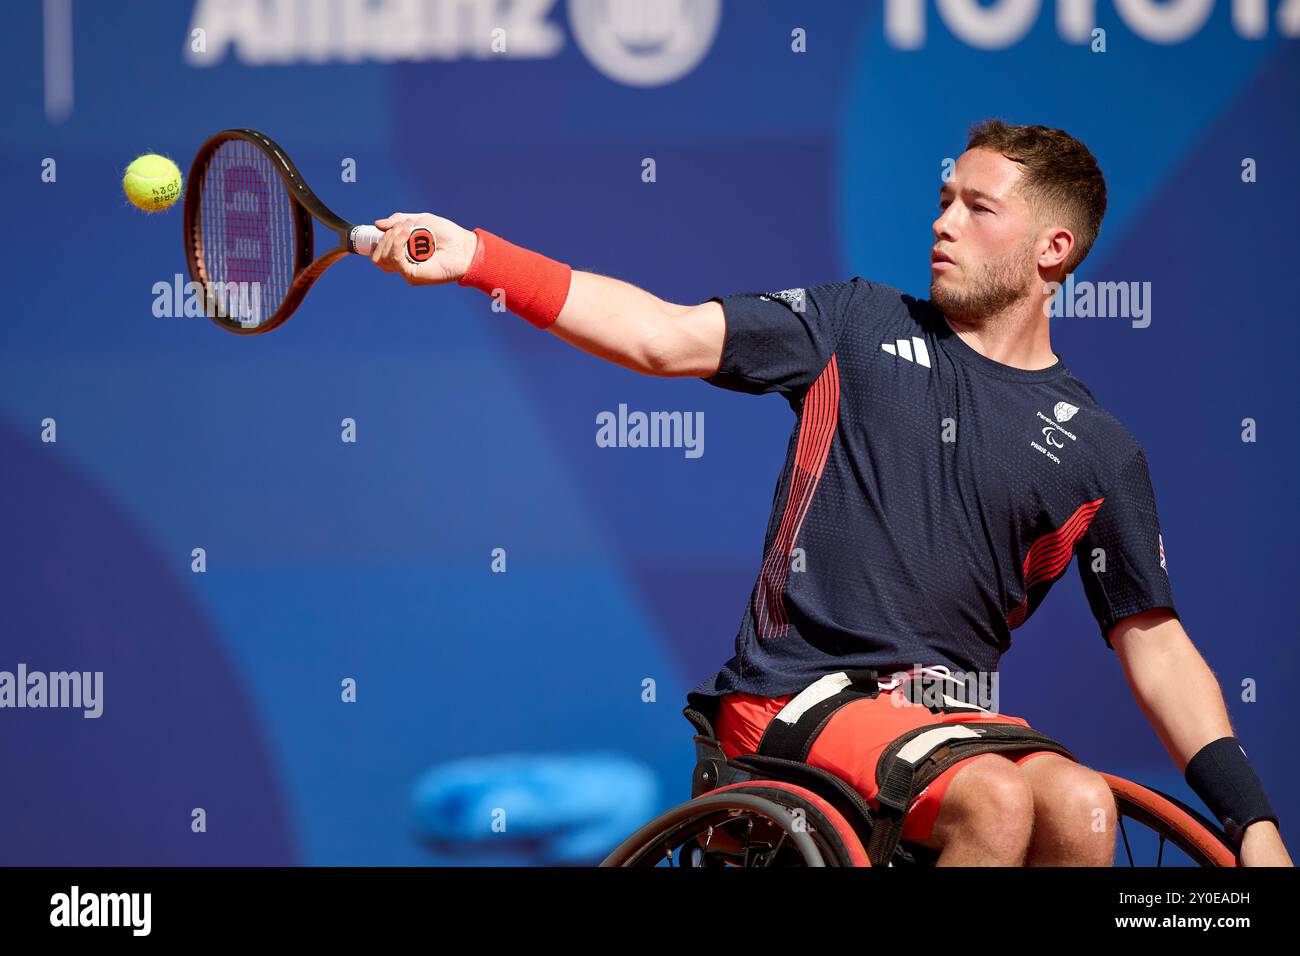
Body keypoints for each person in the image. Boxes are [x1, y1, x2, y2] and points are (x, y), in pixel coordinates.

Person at [366, 119, 1289, 867]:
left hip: (950, 715)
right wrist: (478, 256)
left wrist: (1251, 822)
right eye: (943, 200)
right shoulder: (855, 323)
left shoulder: (1100, 450)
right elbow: (661, 335)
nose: (944, 222)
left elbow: (1156, 645)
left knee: (1084, 807)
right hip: (788, 703)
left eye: (978, 207)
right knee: (999, 800)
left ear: (1055, 247)